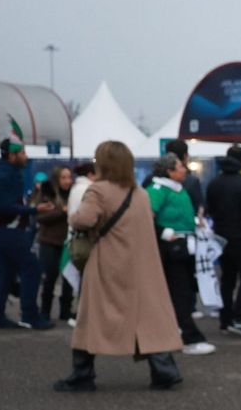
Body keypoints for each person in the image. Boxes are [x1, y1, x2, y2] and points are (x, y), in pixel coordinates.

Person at [55, 141, 183, 391]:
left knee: (90, 316)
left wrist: (70, 215)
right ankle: (165, 370)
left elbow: (83, 220)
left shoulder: (98, 191)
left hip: (108, 262)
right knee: (146, 318)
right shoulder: (141, 193)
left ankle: (82, 374)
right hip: (141, 264)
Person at [0, 137, 53, 330]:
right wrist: (34, 210)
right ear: (12, 155)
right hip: (6, 230)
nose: (25, 156)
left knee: (5, 271)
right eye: (22, 153)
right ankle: (29, 315)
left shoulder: (7, 172)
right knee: (32, 268)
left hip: (6, 229)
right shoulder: (0, 174)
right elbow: (3, 206)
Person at [148, 153, 215, 356]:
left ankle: (177, 331)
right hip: (171, 248)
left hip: (184, 245)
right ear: (169, 171)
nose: (185, 169)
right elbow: (145, 217)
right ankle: (188, 336)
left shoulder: (176, 189)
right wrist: (163, 232)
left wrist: (194, 222)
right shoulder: (158, 190)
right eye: (180, 167)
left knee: (182, 291)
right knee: (181, 292)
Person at [205, 144, 241, 337]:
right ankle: (239, 317)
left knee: (227, 280)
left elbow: (209, 209)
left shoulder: (214, 182)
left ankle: (225, 319)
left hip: (221, 238)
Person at [35, 165, 76, 323]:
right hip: (49, 241)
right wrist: (62, 211)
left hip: (68, 241)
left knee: (68, 278)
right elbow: (40, 218)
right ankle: (45, 312)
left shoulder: (74, 193)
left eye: (69, 177)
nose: (67, 181)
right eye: (63, 177)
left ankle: (65, 311)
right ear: (56, 179)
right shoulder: (46, 193)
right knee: (50, 277)